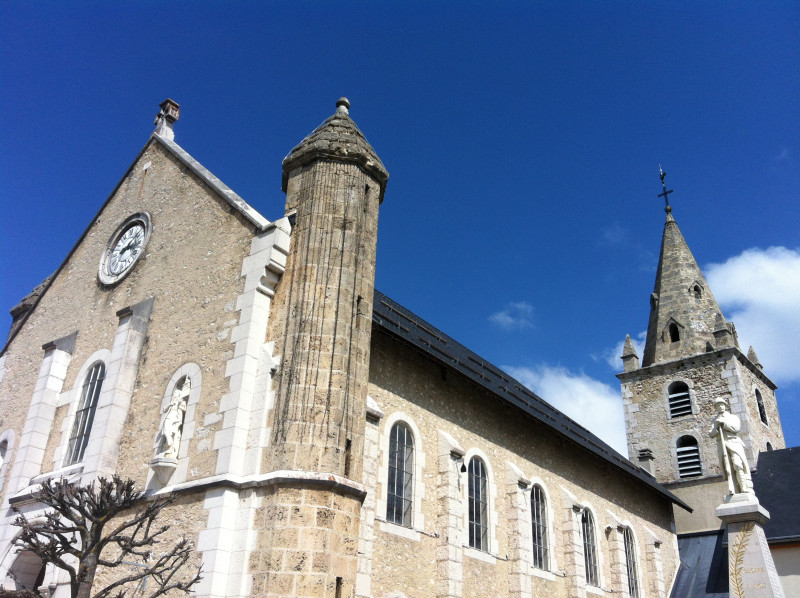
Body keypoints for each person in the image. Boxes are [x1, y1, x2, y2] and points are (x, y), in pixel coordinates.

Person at [709, 397, 753, 495]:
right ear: (716, 408)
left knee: (737, 465)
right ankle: (734, 490)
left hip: (734, 443)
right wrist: (716, 426)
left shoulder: (733, 417)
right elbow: (711, 434)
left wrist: (724, 424)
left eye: (721, 404)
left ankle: (744, 488)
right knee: (728, 469)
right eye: (718, 405)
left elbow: (736, 428)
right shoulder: (714, 420)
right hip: (722, 445)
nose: (720, 407)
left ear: (725, 405)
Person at [156, 378, 190, 459]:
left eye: (176, 394)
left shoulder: (181, 402)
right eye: (174, 394)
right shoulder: (172, 403)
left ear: (178, 395)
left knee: (169, 432)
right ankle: (168, 446)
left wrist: (178, 421)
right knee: (166, 432)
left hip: (174, 418)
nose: (174, 395)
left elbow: (182, 412)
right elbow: (164, 409)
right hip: (168, 417)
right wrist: (170, 404)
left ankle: (170, 447)